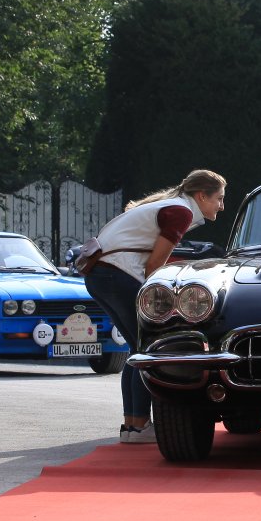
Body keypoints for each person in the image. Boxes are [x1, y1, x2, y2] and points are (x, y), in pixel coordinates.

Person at [84, 169, 226, 443]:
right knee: (147, 350)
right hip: (117, 275)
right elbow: (154, 266)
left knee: (137, 350)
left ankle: (132, 425)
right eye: (219, 198)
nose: (221, 206)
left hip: (101, 275)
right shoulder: (181, 212)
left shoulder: (171, 206)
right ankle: (138, 426)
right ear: (201, 196)